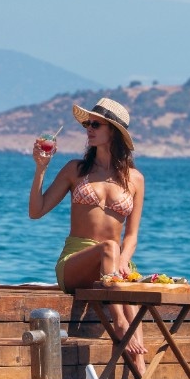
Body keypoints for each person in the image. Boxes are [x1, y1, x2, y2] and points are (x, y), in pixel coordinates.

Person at [28, 97, 148, 358]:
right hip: (76, 262)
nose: (89, 129)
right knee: (109, 250)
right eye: (88, 124)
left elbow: (133, 236)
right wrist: (41, 169)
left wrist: (124, 262)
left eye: (96, 124)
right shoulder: (75, 169)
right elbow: (36, 212)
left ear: (113, 133)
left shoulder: (135, 179)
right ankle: (119, 322)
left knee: (135, 302)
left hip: (115, 263)